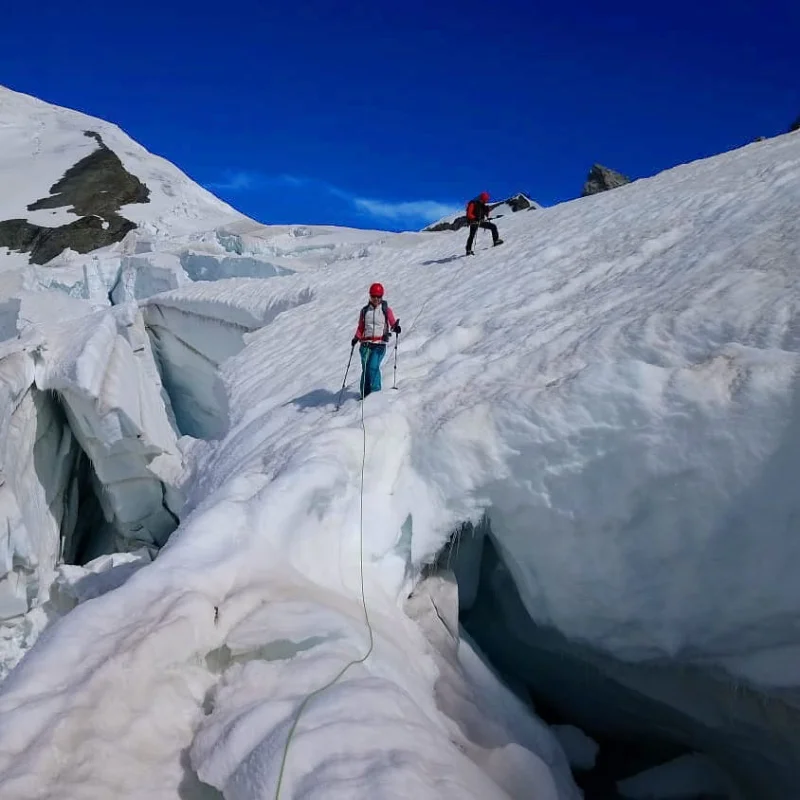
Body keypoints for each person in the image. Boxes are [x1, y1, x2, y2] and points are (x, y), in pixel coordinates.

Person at [351, 283, 401, 397]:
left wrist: (396, 327)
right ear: (370, 296)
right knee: (365, 369)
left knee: (373, 366)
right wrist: (356, 338)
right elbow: (361, 327)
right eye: (374, 296)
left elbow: (392, 322)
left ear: (382, 296)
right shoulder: (364, 311)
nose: (376, 299)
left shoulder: (385, 310)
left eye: (379, 297)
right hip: (365, 344)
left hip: (379, 344)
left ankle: (375, 393)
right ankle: (364, 393)